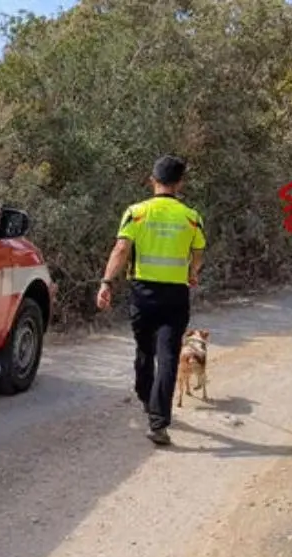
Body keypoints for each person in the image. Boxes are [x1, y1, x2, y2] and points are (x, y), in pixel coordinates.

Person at [96, 155, 205, 446]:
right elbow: (198, 252)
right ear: (180, 183)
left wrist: (107, 282)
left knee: (145, 351)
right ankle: (158, 422)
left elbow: (121, 248)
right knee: (168, 356)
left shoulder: (137, 212)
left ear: (152, 180)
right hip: (175, 295)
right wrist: (192, 273)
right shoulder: (191, 217)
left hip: (143, 293)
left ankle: (147, 399)